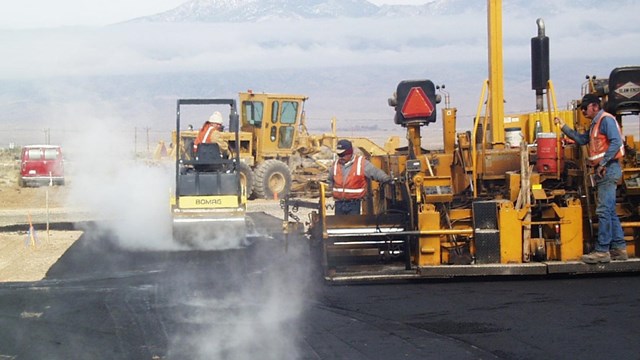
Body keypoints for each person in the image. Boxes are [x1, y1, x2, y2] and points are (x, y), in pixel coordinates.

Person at [554, 93, 627, 264]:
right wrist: (563, 126)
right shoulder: (595, 124)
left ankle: (602, 251)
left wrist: (603, 164)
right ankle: (619, 248)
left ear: (594, 106)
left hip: (608, 169)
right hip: (604, 170)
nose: (583, 112)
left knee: (603, 210)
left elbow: (616, 142)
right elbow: (581, 139)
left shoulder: (606, 120)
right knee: (609, 211)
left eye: (585, 109)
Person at [328, 139, 392, 215]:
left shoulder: (361, 163)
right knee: (338, 226)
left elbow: (375, 172)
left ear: (350, 153)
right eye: (339, 155)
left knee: (354, 225)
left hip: (355, 204)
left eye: (342, 155)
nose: (341, 157)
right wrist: (333, 192)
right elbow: (330, 181)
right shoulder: (335, 165)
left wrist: (387, 179)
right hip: (339, 204)